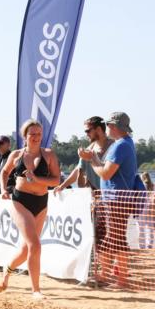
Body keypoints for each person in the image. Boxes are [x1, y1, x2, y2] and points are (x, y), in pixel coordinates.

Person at [0, 120, 61, 299]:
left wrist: (37, 179)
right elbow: (4, 172)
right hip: (20, 201)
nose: (36, 137)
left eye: (39, 134)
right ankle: (36, 290)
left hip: (41, 202)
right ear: (25, 136)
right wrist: (3, 189)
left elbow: (56, 181)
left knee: (26, 250)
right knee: (35, 245)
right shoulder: (16, 155)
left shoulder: (49, 155)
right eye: (32, 134)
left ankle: (7, 271)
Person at [83, 112, 139, 288]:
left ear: (113, 127)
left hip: (117, 198)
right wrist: (95, 160)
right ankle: (103, 276)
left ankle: (121, 280)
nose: (107, 129)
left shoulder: (121, 145)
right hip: (115, 198)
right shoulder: (123, 144)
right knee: (111, 238)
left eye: (109, 125)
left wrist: (91, 160)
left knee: (117, 238)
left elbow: (106, 173)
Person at [54, 116, 110, 193]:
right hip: (96, 197)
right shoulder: (88, 150)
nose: (86, 134)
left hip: (113, 195)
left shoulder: (114, 147)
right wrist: (62, 186)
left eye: (88, 131)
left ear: (98, 129)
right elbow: (77, 170)